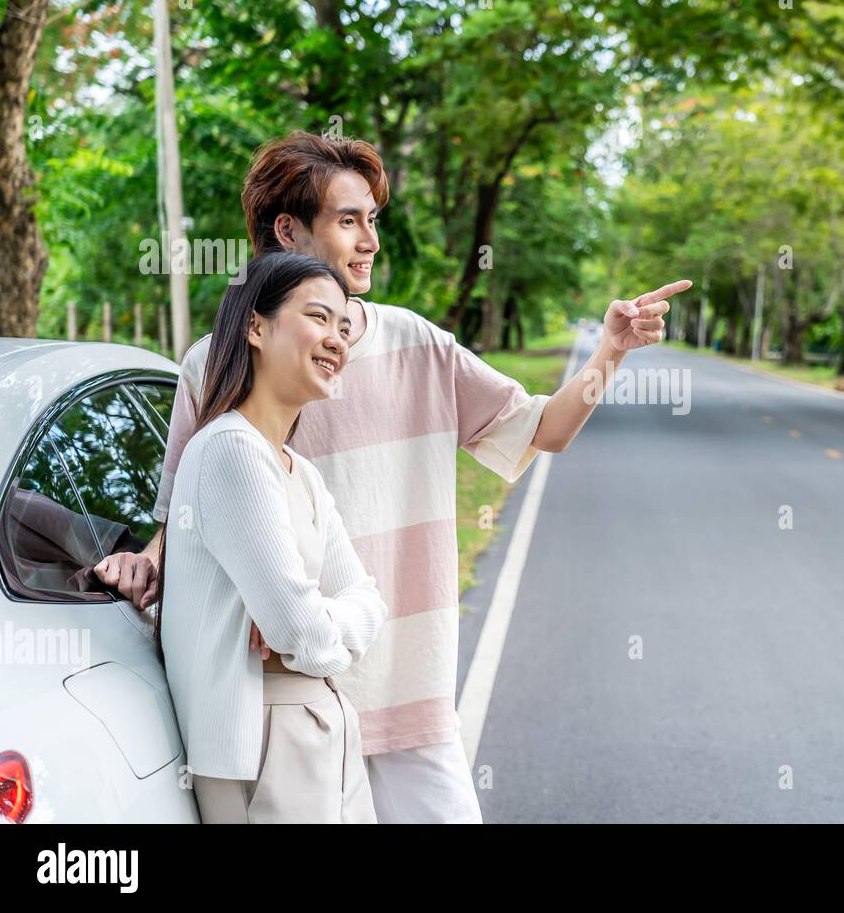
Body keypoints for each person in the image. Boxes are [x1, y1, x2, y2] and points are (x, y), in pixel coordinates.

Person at [97, 130, 689, 823]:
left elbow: (542, 429)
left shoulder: (420, 345)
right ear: (287, 231)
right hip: (283, 709)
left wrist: (611, 351)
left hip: (408, 692)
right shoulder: (217, 361)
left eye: (372, 220)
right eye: (348, 220)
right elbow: (188, 515)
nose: (370, 239)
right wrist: (145, 561)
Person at [158, 250, 387, 823]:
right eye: (317, 317)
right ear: (255, 327)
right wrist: (313, 626)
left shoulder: (298, 472)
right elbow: (298, 630)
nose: (337, 338)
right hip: (263, 741)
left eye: (343, 325)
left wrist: (318, 623)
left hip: (324, 723)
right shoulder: (230, 450)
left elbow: (367, 601)